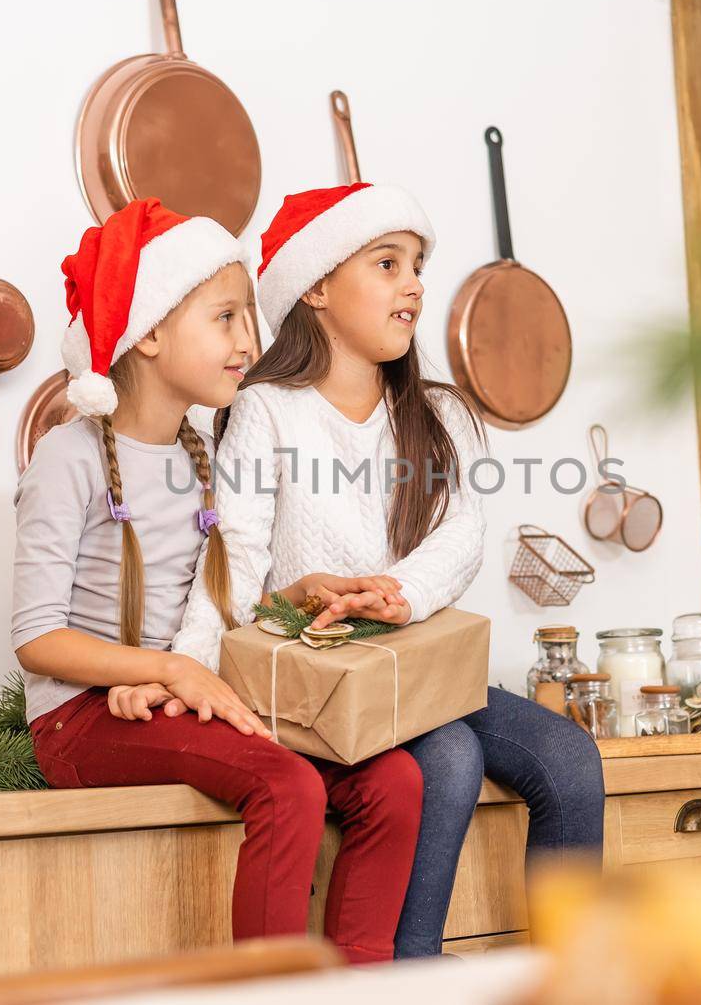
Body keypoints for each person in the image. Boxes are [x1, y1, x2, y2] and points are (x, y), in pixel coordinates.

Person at [176, 182, 604, 958]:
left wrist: (399, 592)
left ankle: (575, 977)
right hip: (325, 678)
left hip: (416, 671)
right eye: (386, 262)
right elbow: (233, 553)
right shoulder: (266, 409)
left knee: (569, 758)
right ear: (315, 285)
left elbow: (463, 532)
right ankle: (408, 975)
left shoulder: (438, 413)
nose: (413, 283)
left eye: (416, 264)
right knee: (448, 755)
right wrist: (188, 670)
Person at [12, 198, 422, 963]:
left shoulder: (203, 449)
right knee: (289, 785)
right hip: (79, 719)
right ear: (153, 330)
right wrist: (162, 669)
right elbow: (37, 638)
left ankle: (363, 984)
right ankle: (269, 987)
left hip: (176, 693)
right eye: (227, 318)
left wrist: (292, 597)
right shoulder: (66, 460)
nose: (250, 341)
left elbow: (212, 603)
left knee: (392, 780)